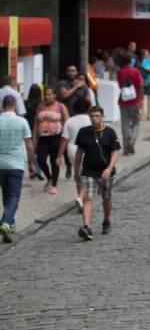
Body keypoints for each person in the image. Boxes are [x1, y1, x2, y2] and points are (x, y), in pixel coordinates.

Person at [74, 106, 121, 240]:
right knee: (88, 198)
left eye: (97, 116)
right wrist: (76, 170)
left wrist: (109, 168)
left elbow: (115, 151)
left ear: (102, 117)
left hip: (105, 172)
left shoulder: (110, 132)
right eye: (92, 116)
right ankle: (86, 227)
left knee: (106, 197)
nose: (95, 119)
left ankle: (106, 220)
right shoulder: (83, 132)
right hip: (89, 170)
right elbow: (79, 152)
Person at [0, 96, 34, 242]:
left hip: (0, 164)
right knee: (14, 196)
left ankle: (11, 224)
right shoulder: (22, 121)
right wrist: (31, 163)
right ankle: (6, 222)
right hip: (16, 165)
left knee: (6, 195)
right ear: (14, 105)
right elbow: (29, 144)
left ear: (2, 106)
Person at [57, 97, 92, 210]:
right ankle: (82, 197)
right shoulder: (91, 119)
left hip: (72, 149)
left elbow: (64, 140)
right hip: (88, 148)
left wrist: (59, 156)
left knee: (78, 173)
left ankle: (80, 199)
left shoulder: (69, 121)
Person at [34, 87, 69, 195]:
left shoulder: (60, 106)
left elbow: (67, 122)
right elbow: (36, 122)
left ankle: (54, 184)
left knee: (55, 161)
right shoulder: (40, 106)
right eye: (46, 94)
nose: (46, 97)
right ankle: (49, 177)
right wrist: (34, 138)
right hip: (43, 137)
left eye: (49, 94)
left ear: (55, 95)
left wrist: (66, 138)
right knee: (40, 159)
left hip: (56, 137)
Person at [116, 53, 143, 155]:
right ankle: (131, 141)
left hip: (123, 101)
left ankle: (126, 149)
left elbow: (120, 86)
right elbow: (140, 85)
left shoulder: (119, 72)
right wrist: (140, 99)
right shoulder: (135, 71)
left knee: (125, 125)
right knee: (136, 122)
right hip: (135, 101)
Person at [138, 50, 150, 121]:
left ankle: (149, 115)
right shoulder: (139, 62)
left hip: (149, 82)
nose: (147, 55)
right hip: (141, 82)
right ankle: (141, 115)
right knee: (141, 99)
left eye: (147, 53)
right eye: (145, 53)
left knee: (149, 98)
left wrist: (149, 69)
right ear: (142, 54)